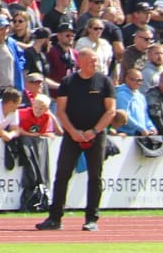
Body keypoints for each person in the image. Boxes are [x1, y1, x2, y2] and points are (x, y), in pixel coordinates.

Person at [37, 46, 117, 233]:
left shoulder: (104, 82)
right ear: (80, 61)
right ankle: (55, 217)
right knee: (62, 174)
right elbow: (62, 110)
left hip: (96, 135)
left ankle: (91, 218)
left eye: (96, 61)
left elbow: (110, 110)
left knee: (95, 176)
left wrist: (94, 131)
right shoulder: (69, 81)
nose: (95, 64)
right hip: (72, 135)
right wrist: (72, 131)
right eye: (91, 61)